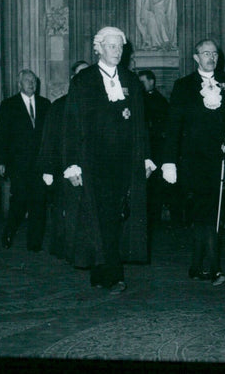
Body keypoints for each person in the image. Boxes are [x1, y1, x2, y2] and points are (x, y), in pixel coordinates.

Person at [61, 27, 164, 293]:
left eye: (120, 47)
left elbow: (141, 124)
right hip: (93, 161)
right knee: (101, 216)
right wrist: (72, 164)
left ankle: (103, 268)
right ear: (99, 48)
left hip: (125, 162)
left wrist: (146, 158)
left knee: (118, 216)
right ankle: (110, 272)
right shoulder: (84, 80)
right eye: (111, 46)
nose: (117, 51)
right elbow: (71, 124)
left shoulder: (130, 80)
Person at [165, 39, 225, 286]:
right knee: (204, 213)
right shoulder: (184, 86)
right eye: (206, 53)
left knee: (210, 213)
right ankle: (209, 266)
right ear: (195, 57)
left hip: (220, 161)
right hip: (193, 160)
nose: (211, 57)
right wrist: (169, 162)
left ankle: (203, 265)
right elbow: (174, 126)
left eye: (214, 53)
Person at [37, 60, 89, 259]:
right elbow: (49, 139)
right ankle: (66, 250)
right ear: (73, 78)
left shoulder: (96, 103)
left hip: (88, 167)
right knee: (66, 211)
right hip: (63, 167)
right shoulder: (59, 106)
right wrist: (48, 169)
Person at [0, 69, 52, 251]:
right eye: (27, 81)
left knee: (39, 202)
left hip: (40, 163)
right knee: (19, 201)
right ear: (19, 84)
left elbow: (50, 135)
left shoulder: (45, 104)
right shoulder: (9, 105)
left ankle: (34, 242)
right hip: (18, 164)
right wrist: (1, 161)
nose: (31, 84)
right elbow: (1, 135)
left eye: (34, 81)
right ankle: (9, 231)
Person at [138, 69, 172, 227]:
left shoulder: (159, 101)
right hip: (144, 147)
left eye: (143, 82)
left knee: (155, 186)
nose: (141, 85)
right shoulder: (139, 98)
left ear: (152, 82)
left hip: (155, 148)